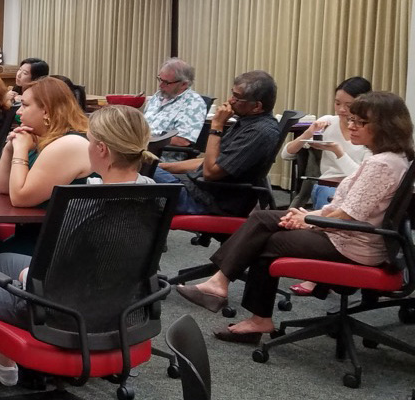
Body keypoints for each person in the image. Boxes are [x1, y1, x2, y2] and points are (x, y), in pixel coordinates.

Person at [0, 105, 159, 399]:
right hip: (123, 307)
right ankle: (1, 353)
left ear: (101, 149)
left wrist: (28, 275)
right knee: (1, 259)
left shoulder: (84, 203)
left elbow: (54, 276)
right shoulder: (151, 191)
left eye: (88, 141)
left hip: (61, 312)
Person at [175, 92, 414, 343]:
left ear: (385, 126)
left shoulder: (382, 164)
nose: (351, 126)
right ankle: (224, 288)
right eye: (352, 119)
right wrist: (308, 214)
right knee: (264, 220)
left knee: (267, 240)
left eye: (360, 122)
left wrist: (308, 221)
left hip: (352, 244)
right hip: (349, 234)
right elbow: (349, 207)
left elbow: (349, 215)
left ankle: (246, 309)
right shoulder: (390, 158)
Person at [152, 71, 282, 216]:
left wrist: (217, 126)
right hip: (198, 189)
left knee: (132, 174)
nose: (230, 100)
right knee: (142, 167)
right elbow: (208, 162)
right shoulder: (248, 123)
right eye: (233, 94)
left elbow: (210, 172)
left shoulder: (258, 132)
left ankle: (133, 234)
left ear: (257, 106)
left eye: (237, 98)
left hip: (210, 202)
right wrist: (161, 166)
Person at [0, 77, 92, 257]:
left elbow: (20, 197)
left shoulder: (69, 144)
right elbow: (4, 188)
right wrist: (9, 148)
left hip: (62, 247)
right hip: (40, 234)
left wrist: (20, 149)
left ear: (46, 110)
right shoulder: (43, 140)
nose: (19, 112)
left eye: (25, 105)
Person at [281, 77, 371, 210]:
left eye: (349, 106)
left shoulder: (369, 132)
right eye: (337, 103)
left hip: (356, 189)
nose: (341, 110)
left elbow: (361, 179)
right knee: (328, 194)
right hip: (328, 185)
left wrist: (337, 151)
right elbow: (286, 155)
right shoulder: (328, 123)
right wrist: (308, 133)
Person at [144, 58, 208, 155]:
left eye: (166, 82)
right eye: (160, 79)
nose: (160, 85)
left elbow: (182, 140)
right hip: (140, 151)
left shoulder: (193, 103)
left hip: (161, 158)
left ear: (183, 84)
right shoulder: (158, 96)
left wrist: (145, 139)